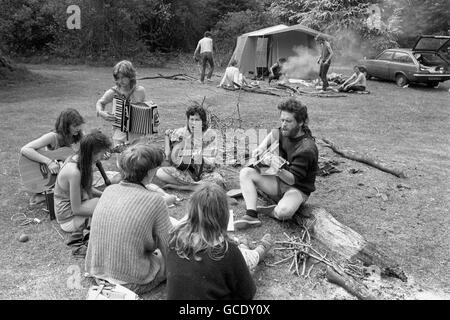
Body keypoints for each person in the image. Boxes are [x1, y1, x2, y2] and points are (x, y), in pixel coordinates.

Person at [85, 143, 173, 295]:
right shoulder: (156, 201)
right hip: (129, 280)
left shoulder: (109, 190)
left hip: (98, 271)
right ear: (150, 172)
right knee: (163, 259)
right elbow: (169, 245)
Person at [166, 183, 273, 300]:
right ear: (224, 216)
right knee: (247, 261)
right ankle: (260, 249)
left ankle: (247, 246)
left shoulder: (174, 240)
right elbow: (247, 294)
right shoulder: (228, 252)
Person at [234, 98, 318, 230]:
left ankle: (272, 211)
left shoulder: (306, 149)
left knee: (283, 212)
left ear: (300, 122)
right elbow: (274, 133)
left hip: (297, 188)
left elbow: (292, 180)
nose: (283, 124)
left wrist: (276, 167)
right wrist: (261, 148)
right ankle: (251, 215)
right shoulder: (286, 130)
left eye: (288, 121)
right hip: (279, 181)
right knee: (245, 173)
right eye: (282, 120)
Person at [20, 108, 85, 206]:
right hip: (49, 176)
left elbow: (87, 154)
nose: (78, 128)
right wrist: (49, 162)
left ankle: (48, 195)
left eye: (79, 125)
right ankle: (48, 193)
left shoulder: (80, 136)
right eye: (75, 126)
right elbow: (25, 149)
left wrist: (99, 155)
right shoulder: (52, 137)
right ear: (65, 126)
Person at [54, 130, 112, 233]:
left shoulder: (81, 160)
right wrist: (103, 210)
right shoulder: (74, 172)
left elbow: (86, 188)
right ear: (93, 153)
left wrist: (105, 195)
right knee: (107, 208)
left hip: (78, 208)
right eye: (102, 153)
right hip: (69, 220)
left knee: (105, 202)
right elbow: (76, 209)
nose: (103, 156)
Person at [154, 104, 223, 190]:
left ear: (202, 122)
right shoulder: (181, 132)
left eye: (197, 120)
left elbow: (212, 162)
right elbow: (168, 133)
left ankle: (186, 186)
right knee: (160, 172)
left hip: (205, 173)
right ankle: (196, 186)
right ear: (188, 120)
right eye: (192, 119)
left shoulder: (210, 135)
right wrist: (168, 151)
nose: (194, 123)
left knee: (218, 180)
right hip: (186, 171)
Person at [96, 60, 146, 147]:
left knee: (137, 159)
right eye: (118, 78)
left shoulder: (140, 91)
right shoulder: (113, 92)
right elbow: (100, 102)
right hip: (119, 135)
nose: (120, 81)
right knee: (121, 159)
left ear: (131, 76)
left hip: (137, 135)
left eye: (123, 77)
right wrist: (101, 112)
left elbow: (144, 109)